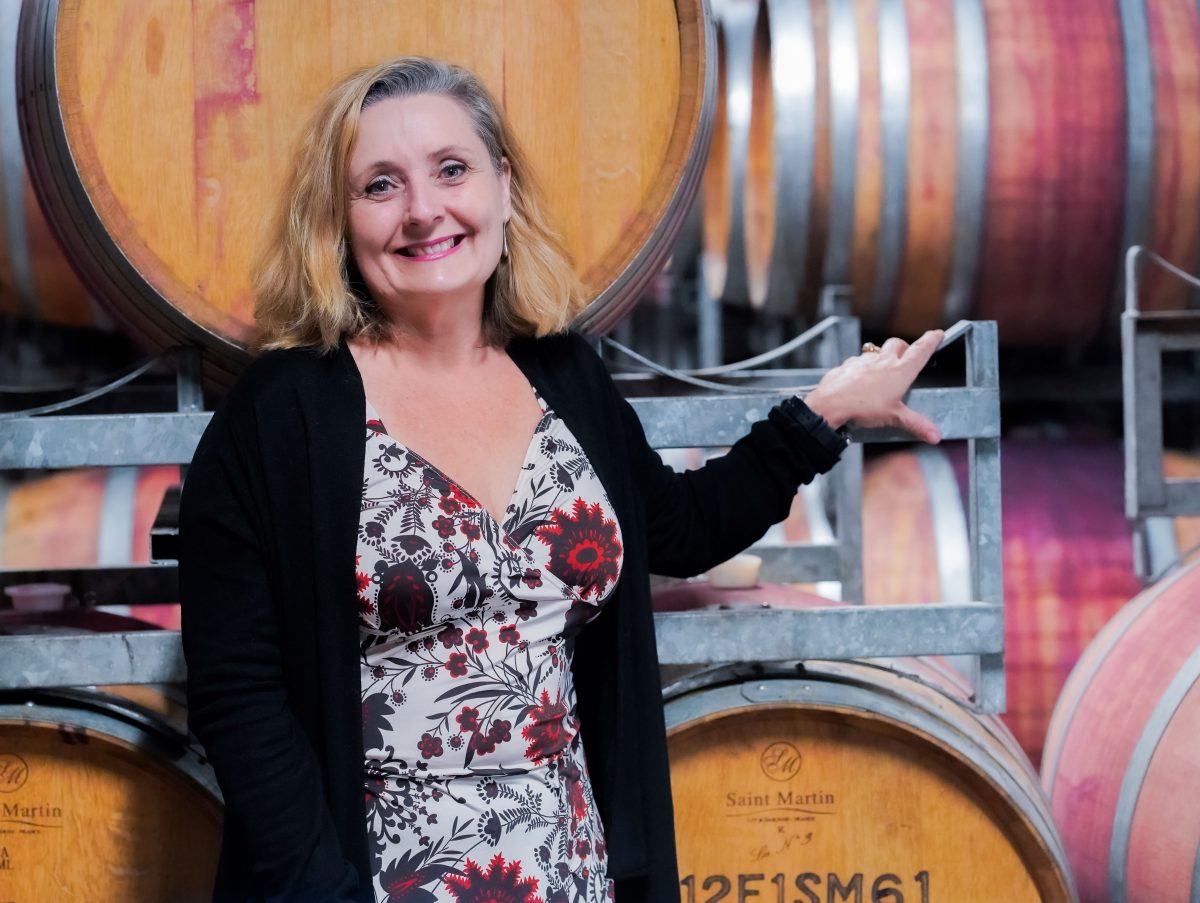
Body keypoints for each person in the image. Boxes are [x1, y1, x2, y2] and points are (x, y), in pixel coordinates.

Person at [179, 56, 944, 903]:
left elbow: (681, 526)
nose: (424, 209)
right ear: (338, 220)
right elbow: (237, 693)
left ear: (502, 187)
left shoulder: (563, 376)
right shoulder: (281, 413)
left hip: (566, 861)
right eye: (380, 185)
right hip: (376, 877)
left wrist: (826, 410)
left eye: (452, 170)